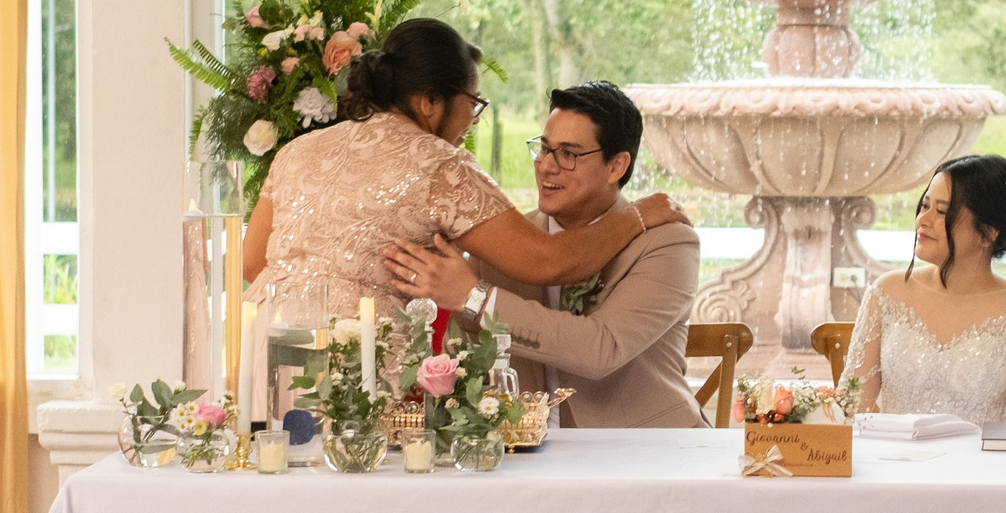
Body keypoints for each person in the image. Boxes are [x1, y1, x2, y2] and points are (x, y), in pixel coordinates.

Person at [244, 20, 689, 314]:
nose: (472, 122)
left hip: (268, 342)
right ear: (431, 102)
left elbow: (251, 261)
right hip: (361, 371)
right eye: (473, 104)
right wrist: (638, 216)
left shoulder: (300, 149)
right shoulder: (440, 165)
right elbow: (547, 261)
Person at [390, 82, 707, 428]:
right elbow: (459, 341)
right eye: (544, 148)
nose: (546, 166)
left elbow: (601, 350)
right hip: (520, 450)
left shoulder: (668, 243)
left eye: (568, 154)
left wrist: (476, 298)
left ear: (616, 166)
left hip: (644, 452)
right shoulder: (509, 241)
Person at [843, 154, 1006, 423]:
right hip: (892, 461)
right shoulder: (887, 293)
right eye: (924, 206)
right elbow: (849, 411)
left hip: (985, 465)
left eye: (942, 211)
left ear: (988, 232)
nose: (923, 219)